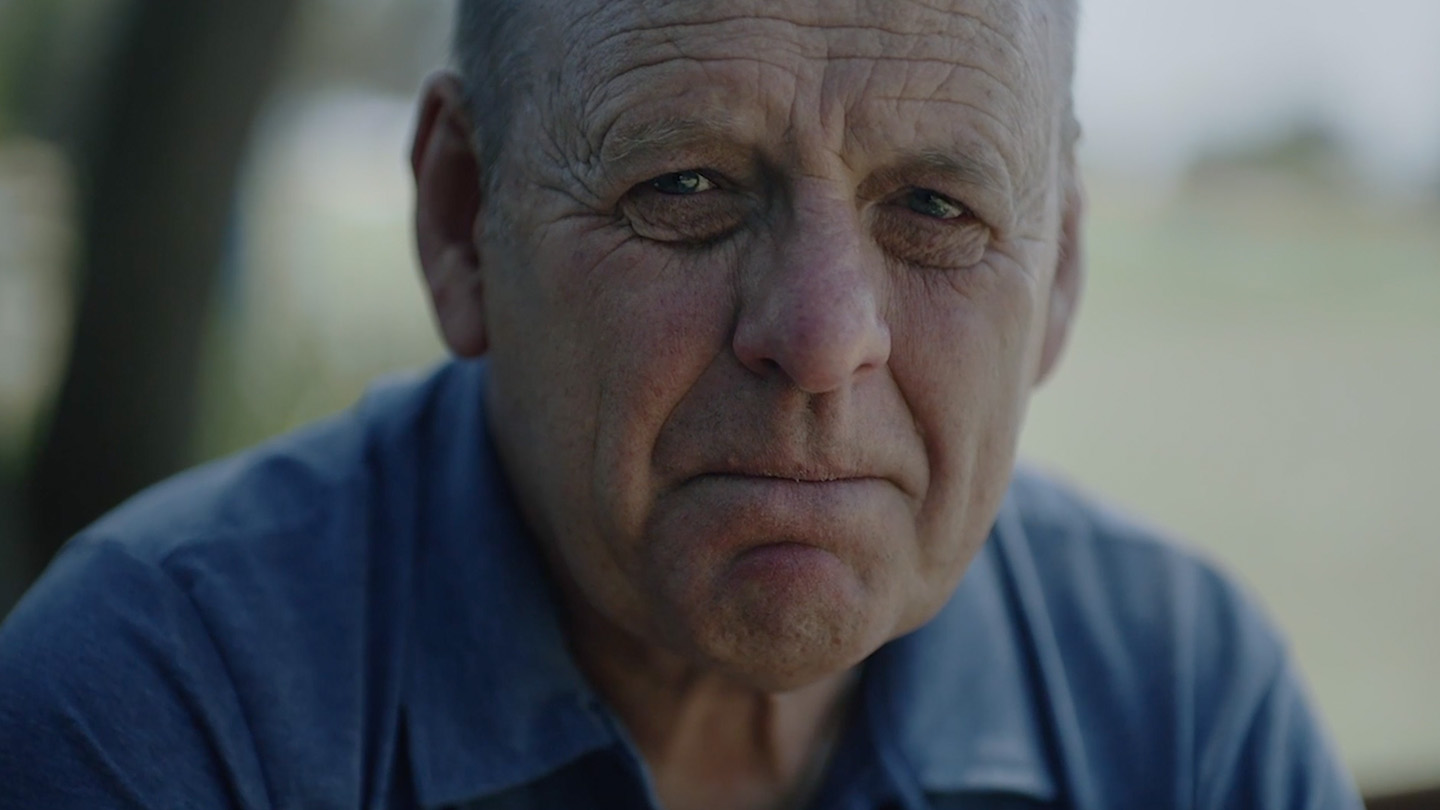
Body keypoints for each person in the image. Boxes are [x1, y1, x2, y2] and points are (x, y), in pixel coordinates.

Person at [0, 1, 1362, 808]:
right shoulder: (161, 706)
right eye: (687, 189)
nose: (825, 340)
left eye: (936, 208)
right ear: (463, 224)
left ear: (1057, 270)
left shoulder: (1183, 710)